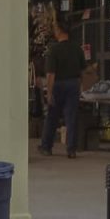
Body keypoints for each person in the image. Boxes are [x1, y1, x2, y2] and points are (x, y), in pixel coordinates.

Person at [38, 17, 86, 158]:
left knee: (52, 117)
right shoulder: (77, 48)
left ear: (59, 31)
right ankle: (71, 150)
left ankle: (46, 147)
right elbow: (83, 71)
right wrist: (81, 87)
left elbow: (51, 74)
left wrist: (49, 92)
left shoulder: (54, 50)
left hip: (58, 85)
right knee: (71, 118)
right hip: (73, 84)